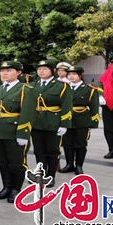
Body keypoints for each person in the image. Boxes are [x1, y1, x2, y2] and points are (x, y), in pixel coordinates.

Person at [0, 60, 37, 203]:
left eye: (9, 70)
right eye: (2, 71)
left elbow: (28, 113)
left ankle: (16, 189)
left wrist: (23, 133)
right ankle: (6, 187)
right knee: (2, 161)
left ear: (19, 72)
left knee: (16, 163)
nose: (4, 73)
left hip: (14, 132)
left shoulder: (26, 90)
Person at [31, 60, 72, 188]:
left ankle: (50, 176)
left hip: (53, 123)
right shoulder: (32, 85)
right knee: (39, 150)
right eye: (39, 69)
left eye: (44, 69)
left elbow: (67, 106)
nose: (41, 71)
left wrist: (64, 124)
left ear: (53, 71)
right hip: (36, 122)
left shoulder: (61, 86)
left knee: (52, 151)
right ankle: (41, 175)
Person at [59, 66, 99, 175]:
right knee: (67, 143)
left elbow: (94, 107)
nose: (71, 76)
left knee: (80, 143)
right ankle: (69, 164)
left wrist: (93, 122)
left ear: (80, 75)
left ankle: (79, 166)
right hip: (67, 119)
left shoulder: (89, 89)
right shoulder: (63, 88)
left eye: (74, 74)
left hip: (82, 119)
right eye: (69, 74)